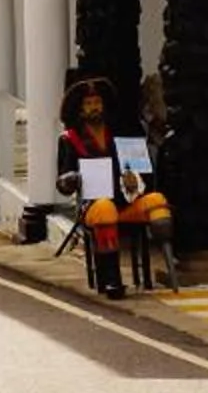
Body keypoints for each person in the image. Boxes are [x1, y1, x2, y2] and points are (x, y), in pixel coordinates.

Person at [56, 78, 170, 300]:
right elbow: (62, 182)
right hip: (94, 206)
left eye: (97, 102)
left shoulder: (120, 135)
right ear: (80, 109)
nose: (94, 107)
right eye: (89, 103)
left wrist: (136, 180)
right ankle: (112, 279)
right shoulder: (70, 140)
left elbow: (141, 170)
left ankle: (170, 269)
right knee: (105, 209)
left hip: (126, 202)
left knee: (157, 202)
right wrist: (70, 179)